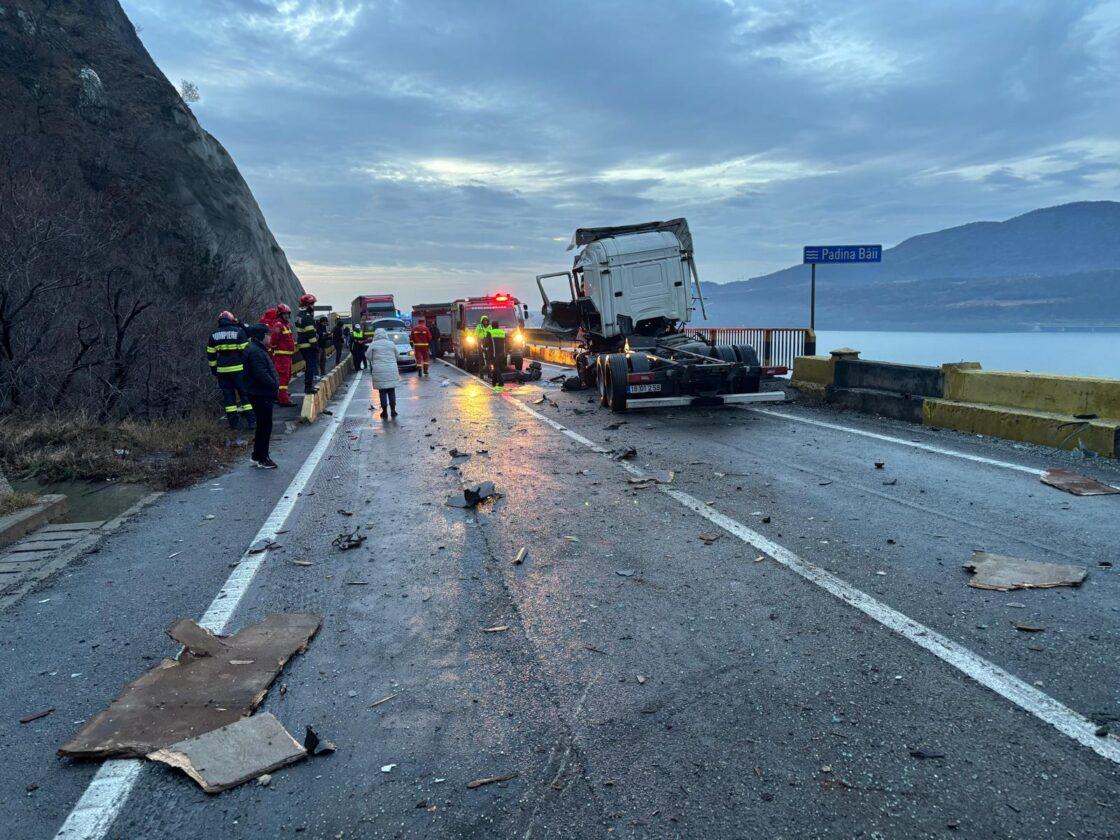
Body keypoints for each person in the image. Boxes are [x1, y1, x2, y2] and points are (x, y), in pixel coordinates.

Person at [206, 310, 254, 434]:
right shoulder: (238, 331)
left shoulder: (214, 334)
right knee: (245, 395)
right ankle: (252, 422)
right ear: (232, 320)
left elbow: (211, 355)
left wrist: (214, 370)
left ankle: (234, 425)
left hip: (222, 370)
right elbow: (247, 351)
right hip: (239, 369)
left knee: (229, 399)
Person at [243, 323, 279, 469]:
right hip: (260, 393)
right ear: (261, 336)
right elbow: (261, 374)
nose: (270, 337)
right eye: (268, 334)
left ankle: (257, 455)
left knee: (262, 425)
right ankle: (263, 458)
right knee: (265, 426)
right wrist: (274, 385)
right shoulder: (256, 352)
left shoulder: (256, 348)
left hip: (258, 392)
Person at [368, 328, 400, 419]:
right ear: (385, 335)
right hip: (391, 369)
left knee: (382, 392)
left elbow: (368, 356)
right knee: (391, 391)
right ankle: (393, 410)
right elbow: (397, 355)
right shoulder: (391, 344)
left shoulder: (373, 344)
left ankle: (384, 412)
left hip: (379, 370)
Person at [272, 304, 296, 406]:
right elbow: (274, 341)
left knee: (286, 377)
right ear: (280, 314)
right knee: (283, 378)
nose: (286, 316)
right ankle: (283, 400)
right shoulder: (278, 325)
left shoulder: (285, 325)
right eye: (284, 314)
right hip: (282, 357)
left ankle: (282, 396)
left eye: (287, 314)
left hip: (287, 356)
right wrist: (276, 348)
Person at [296, 293, 319, 394]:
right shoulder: (307, 317)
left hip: (302, 345)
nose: (313, 306)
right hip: (309, 346)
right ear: (308, 304)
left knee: (309, 366)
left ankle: (308, 386)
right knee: (311, 366)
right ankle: (308, 387)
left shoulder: (299, 315)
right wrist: (315, 347)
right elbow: (311, 335)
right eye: (312, 304)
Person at [486, 319, 507, 386]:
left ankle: (501, 382)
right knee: (497, 367)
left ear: (492, 326)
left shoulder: (490, 332)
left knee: (496, 367)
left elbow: (486, 343)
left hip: (494, 353)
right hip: (502, 353)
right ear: (498, 326)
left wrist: (484, 346)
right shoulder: (502, 332)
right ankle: (494, 382)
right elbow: (507, 342)